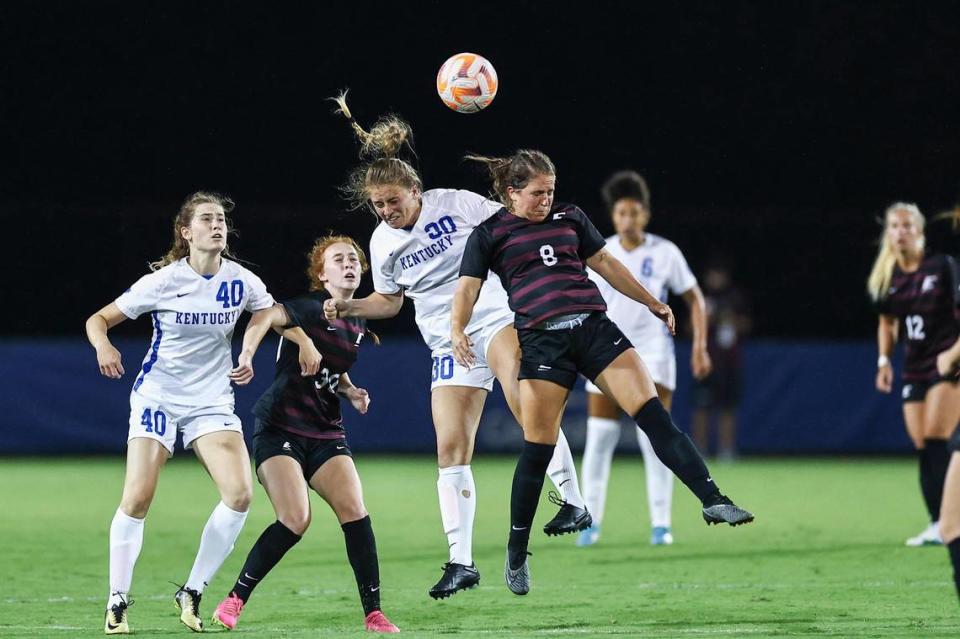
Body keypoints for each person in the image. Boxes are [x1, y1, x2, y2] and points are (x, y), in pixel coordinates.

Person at [322, 93, 589, 600]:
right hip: (448, 342)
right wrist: (351, 307)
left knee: (524, 400)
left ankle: (572, 501)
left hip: (495, 318)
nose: (385, 211)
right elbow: (389, 300)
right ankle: (461, 561)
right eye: (377, 205)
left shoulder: (458, 204)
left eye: (393, 202)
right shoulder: (382, 242)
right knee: (449, 448)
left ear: (416, 191)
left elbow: (513, 224)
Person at [451, 149, 753, 596]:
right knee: (538, 449)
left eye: (551, 190)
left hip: (595, 330)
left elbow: (608, 266)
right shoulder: (490, 234)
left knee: (654, 416)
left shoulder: (571, 217)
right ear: (512, 193)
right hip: (542, 340)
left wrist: (651, 300)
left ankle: (712, 499)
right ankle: (516, 552)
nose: (546, 199)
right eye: (537, 193)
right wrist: (458, 329)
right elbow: (468, 288)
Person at [86, 192, 308, 634]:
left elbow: (269, 313)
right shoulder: (163, 281)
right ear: (186, 232)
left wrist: (298, 343)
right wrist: (103, 344)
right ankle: (116, 601)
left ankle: (191, 590)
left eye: (222, 218)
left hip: (211, 401)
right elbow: (98, 319)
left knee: (240, 494)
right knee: (138, 497)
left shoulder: (241, 280)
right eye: (206, 219)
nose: (217, 225)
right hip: (158, 397)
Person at [211, 235, 399, 633]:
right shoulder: (311, 307)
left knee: (356, 512)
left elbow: (331, 367)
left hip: (325, 430)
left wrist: (349, 390)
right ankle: (234, 599)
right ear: (322, 273)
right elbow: (264, 314)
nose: (348, 264)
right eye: (338, 260)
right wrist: (246, 356)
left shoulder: (358, 319)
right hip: (279, 427)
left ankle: (374, 613)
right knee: (296, 518)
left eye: (353, 259)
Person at [577, 171, 711, 548]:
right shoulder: (601, 252)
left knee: (656, 438)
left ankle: (661, 524)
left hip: (653, 354)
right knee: (600, 439)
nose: (628, 219)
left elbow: (695, 299)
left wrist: (699, 346)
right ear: (613, 216)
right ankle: (591, 523)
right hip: (606, 352)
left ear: (645, 215)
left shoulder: (665, 252)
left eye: (635, 213)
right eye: (622, 213)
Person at [869, 202, 960, 547]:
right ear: (887, 233)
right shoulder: (890, 278)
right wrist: (883, 361)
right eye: (894, 226)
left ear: (920, 231)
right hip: (914, 368)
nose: (900, 232)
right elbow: (887, 321)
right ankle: (937, 522)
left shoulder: (942, 267)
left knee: (938, 438)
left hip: (947, 366)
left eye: (907, 225)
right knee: (923, 444)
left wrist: (954, 354)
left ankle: (950, 521)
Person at [690, 262, 751, 460]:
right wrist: (708, 319)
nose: (715, 278)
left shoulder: (734, 298)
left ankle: (726, 449)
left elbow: (746, 325)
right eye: (712, 274)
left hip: (729, 362)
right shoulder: (699, 297)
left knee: (727, 406)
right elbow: (687, 328)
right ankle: (700, 449)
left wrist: (729, 319)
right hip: (705, 360)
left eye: (718, 274)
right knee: (702, 406)